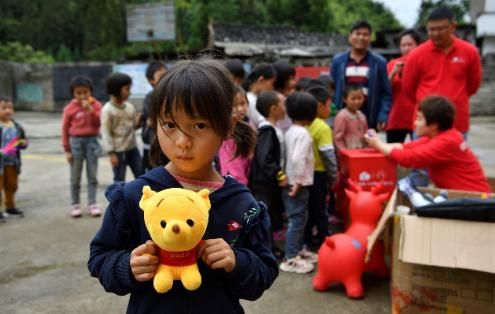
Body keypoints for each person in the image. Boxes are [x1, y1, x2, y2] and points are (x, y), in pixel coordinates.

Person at [88, 59, 279, 313]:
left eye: (199, 125)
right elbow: (100, 258)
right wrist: (127, 266)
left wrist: (237, 261)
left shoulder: (242, 204)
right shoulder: (137, 196)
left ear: (227, 127)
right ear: (154, 124)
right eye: (169, 125)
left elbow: (263, 274)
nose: (182, 142)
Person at [365, 96, 491, 193]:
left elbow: (409, 158)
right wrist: (377, 142)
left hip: (474, 199)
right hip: (463, 197)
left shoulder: (446, 142)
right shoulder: (438, 136)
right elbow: (405, 148)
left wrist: (378, 144)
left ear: (434, 125)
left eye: (419, 119)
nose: (415, 123)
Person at [401, 7, 482, 136]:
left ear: (453, 27)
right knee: (422, 156)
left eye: (441, 28)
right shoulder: (416, 55)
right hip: (425, 125)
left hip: (456, 123)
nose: (436, 33)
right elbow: (408, 88)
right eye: (431, 29)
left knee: (455, 156)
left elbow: (473, 85)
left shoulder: (470, 52)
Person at [279, 92, 318, 274]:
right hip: (298, 184)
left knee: (299, 218)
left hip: (291, 181)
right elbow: (297, 159)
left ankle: (298, 250)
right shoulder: (303, 134)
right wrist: (298, 182)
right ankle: (291, 257)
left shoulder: (290, 131)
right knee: (297, 219)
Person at [331, 20, 392, 131]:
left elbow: (386, 93)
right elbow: (331, 89)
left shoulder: (379, 62)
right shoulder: (338, 61)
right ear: (350, 36)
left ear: (370, 38)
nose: (361, 37)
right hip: (343, 118)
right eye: (357, 34)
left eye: (365, 35)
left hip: (369, 118)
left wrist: (383, 115)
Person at [249, 91, 288, 258]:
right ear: (274, 109)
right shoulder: (267, 130)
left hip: (268, 182)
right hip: (264, 183)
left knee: (270, 215)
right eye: (282, 104)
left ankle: (269, 247)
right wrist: (279, 174)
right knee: (265, 216)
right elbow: (265, 158)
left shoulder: (273, 128)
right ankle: (266, 250)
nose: (285, 108)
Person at [61, 76, 103, 218]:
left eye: (85, 92)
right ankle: (75, 204)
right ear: (73, 93)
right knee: (75, 176)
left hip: (92, 141)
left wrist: (91, 110)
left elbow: (100, 122)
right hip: (76, 143)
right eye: (79, 93)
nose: (83, 96)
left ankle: (92, 203)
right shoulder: (69, 108)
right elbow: (65, 129)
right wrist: (67, 149)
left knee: (92, 175)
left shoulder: (96, 105)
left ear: (90, 92)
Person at [305, 86, 338, 248]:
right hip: (319, 174)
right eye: (328, 105)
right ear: (319, 106)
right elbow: (328, 156)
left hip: (304, 174)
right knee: (320, 209)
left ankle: (308, 239)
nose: (330, 109)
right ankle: (324, 238)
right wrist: (334, 176)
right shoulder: (323, 127)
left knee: (309, 208)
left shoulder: (303, 123)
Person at [100, 72, 144, 182]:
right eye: (127, 89)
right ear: (116, 89)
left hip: (133, 149)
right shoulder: (107, 110)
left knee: (142, 176)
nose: (130, 92)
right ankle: (118, 199)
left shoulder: (130, 107)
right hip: (118, 152)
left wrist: (138, 122)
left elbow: (133, 127)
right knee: (119, 180)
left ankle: (143, 198)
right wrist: (111, 154)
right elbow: (106, 133)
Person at [386, 29, 422, 143]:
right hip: (397, 116)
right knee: (392, 154)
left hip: (418, 116)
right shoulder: (393, 64)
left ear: (418, 45)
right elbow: (385, 89)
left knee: (418, 154)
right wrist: (393, 73)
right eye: (403, 45)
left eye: (410, 45)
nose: (406, 48)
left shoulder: (422, 62)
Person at [218, 86, 255, 185]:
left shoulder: (249, 124)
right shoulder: (229, 131)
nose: (240, 109)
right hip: (235, 183)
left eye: (243, 103)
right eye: (234, 105)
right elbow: (231, 165)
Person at [0, 96, 28, 223]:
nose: (8, 111)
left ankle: (10, 206)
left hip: (12, 162)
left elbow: (23, 141)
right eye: (4, 108)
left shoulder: (16, 126)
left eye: (10, 108)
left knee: (12, 185)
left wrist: (23, 143)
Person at [142, 61, 167, 172]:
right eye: (161, 76)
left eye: (167, 74)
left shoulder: (173, 93)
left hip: (167, 139)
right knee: (156, 167)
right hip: (154, 140)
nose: (165, 77)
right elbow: (151, 121)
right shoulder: (150, 97)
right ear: (151, 80)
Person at [333, 84, 368, 151]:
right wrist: (344, 152)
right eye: (353, 99)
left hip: (361, 153)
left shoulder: (362, 116)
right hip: (347, 155)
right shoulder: (342, 116)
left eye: (360, 98)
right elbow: (337, 138)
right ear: (344, 99)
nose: (357, 101)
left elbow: (366, 135)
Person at [242, 63, 277, 128]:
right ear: (261, 80)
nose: (272, 88)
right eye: (272, 83)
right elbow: (264, 123)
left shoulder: (252, 98)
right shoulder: (251, 100)